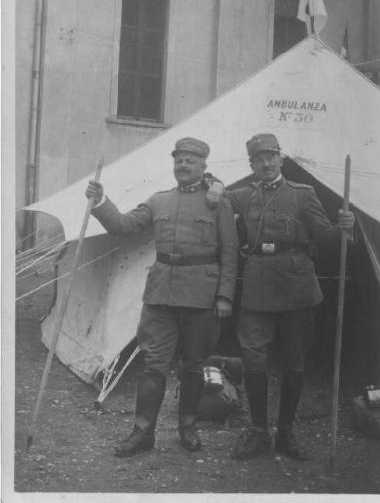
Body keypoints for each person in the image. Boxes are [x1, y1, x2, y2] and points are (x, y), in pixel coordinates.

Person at [85, 137, 238, 457]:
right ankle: (143, 431)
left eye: (190, 161)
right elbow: (123, 225)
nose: (183, 166)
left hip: (203, 296)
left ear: (203, 167)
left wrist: (225, 295)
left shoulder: (218, 203)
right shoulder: (159, 201)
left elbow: (230, 252)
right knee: (153, 364)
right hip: (161, 295)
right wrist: (101, 203)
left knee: (194, 365)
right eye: (179, 160)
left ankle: (188, 426)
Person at [207, 133, 355, 461]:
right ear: (251, 164)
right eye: (258, 158)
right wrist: (213, 180)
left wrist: (345, 227)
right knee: (254, 358)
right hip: (258, 287)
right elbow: (215, 197)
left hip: (297, 288)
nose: (265, 162)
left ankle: (286, 432)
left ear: (281, 158)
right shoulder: (244, 196)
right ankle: (259, 431)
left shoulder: (303, 194)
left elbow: (327, 240)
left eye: (271, 156)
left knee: (294, 360)